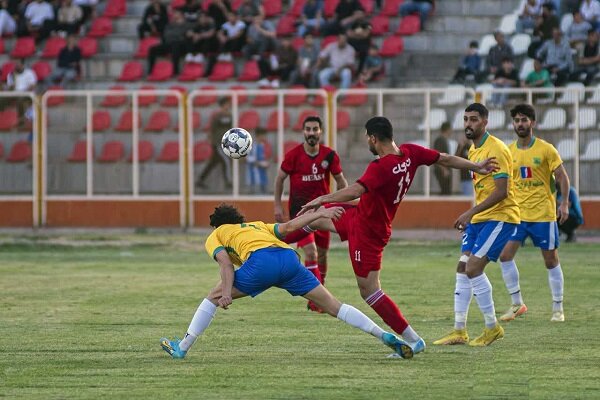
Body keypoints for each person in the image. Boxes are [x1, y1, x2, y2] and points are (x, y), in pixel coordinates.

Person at [284, 116, 498, 353]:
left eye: (368, 138)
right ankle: (269, 240)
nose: (368, 141)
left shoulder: (380, 167)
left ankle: (414, 340)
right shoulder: (411, 153)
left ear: (374, 138)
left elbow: (355, 189)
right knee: (318, 218)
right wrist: (476, 166)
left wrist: (323, 197)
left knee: (370, 291)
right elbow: (445, 159)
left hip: (367, 232)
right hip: (360, 216)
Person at [160, 204, 415, 360]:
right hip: (289, 259)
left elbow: (226, 264)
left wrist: (226, 293)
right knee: (334, 305)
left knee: (211, 298)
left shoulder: (216, 234)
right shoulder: (257, 226)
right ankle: (384, 335)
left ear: (217, 225)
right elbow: (291, 225)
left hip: (261, 264)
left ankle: (182, 347)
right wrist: (321, 214)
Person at [433, 103, 520, 347]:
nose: (468, 124)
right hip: (480, 220)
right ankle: (459, 330)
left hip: (500, 217)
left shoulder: (497, 149)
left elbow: (502, 192)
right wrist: (474, 215)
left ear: (485, 122)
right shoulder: (473, 150)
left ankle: (492, 327)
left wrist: (470, 212)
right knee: (462, 268)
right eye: (465, 119)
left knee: (473, 268)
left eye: (473, 119)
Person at [496, 103, 570, 324]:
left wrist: (564, 203)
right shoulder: (508, 151)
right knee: (505, 256)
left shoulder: (546, 149)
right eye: (517, 120)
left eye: (524, 120)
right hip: (517, 215)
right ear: (513, 124)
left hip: (543, 215)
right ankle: (517, 304)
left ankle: (558, 308)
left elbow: (563, 178)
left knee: (550, 260)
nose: (520, 124)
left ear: (532, 123)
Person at [274, 115, 348, 312]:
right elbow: (280, 179)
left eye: (315, 129)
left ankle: (318, 296)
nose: (312, 133)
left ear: (320, 132)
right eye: (308, 129)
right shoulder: (293, 155)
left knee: (322, 255)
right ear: (303, 132)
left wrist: (338, 201)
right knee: (310, 251)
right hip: (300, 214)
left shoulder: (329, 155)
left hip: (323, 213)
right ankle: (317, 300)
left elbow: (342, 181)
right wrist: (277, 206)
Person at [195, 97, 232, 190]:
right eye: (227, 104)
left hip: (226, 142)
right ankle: (228, 181)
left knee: (213, 162)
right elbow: (212, 128)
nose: (229, 106)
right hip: (218, 142)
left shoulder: (230, 115)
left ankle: (200, 180)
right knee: (226, 160)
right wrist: (211, 139)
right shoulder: (217, 116)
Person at [246, 128, 270, 194]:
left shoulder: (264, 146)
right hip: (254, 174)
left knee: (264, 191)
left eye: (264, 136)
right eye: (262, 136)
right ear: (257, 136)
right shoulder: (252, 146)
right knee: (256, 193)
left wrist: (266, 163)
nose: (264, 137)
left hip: (263, 173)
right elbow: (247, 158)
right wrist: (256, 162)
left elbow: (266, 157)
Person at [433, 122, 453, 195]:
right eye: (450, 129)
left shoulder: (444, 140)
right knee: (445, 192)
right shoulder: (440, 140)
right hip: (442, 170)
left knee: (446, 191)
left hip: (445, 169)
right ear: (447, 130)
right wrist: (444, 169)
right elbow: (437, 156)